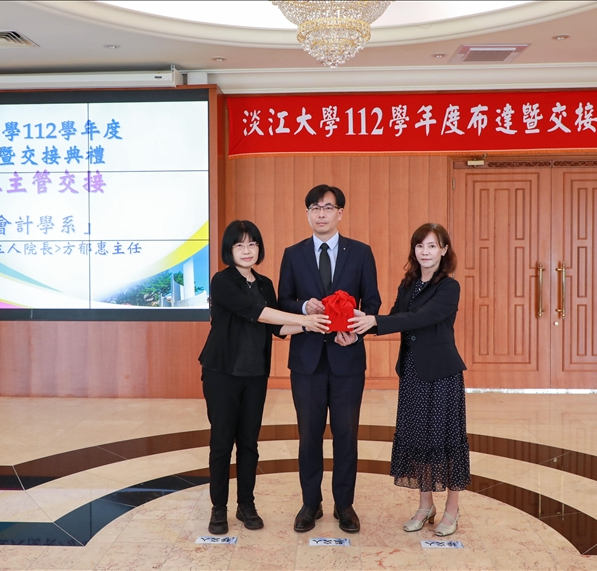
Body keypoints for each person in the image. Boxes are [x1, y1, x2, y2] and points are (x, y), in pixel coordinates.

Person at [199, 220, 331, 535]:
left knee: (249, 442)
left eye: (252, 244)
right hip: (221, 373)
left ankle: (246, 505)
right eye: (240, 245)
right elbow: (257, 313)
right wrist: (305, 318)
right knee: (222, 442)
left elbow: (276, 327)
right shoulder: (222, 281)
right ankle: (219, 508)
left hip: (255, 374)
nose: (247, 250)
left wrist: (315, 324)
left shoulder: (264, 284)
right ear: (229, 250)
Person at [348, 223, 470, 537]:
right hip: (413, 372)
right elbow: (394, 317)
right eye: (420, 246)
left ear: (444, 250)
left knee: (445, 441)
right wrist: (360, 327)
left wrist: (374, 320)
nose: (425, 252)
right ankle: (425, 505)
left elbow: (420, 318)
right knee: (419, 439)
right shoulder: (409, 284)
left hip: (442, 373)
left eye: (432, 246)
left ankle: (452, 508)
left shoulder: (449, 287)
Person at [278, 184, 381, 533]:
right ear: (307, 214)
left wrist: (356, 331)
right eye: (314, 208)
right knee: (309, 435)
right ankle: (311, 503)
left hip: (347, 358)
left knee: (346, 434)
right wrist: (302, 307)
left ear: (340, 213)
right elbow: (282, 301)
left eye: (327, 207)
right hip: (305, 361)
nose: (321, 214)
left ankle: (344, 504)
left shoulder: (361, 252)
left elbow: (373, 302)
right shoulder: (293, 254)